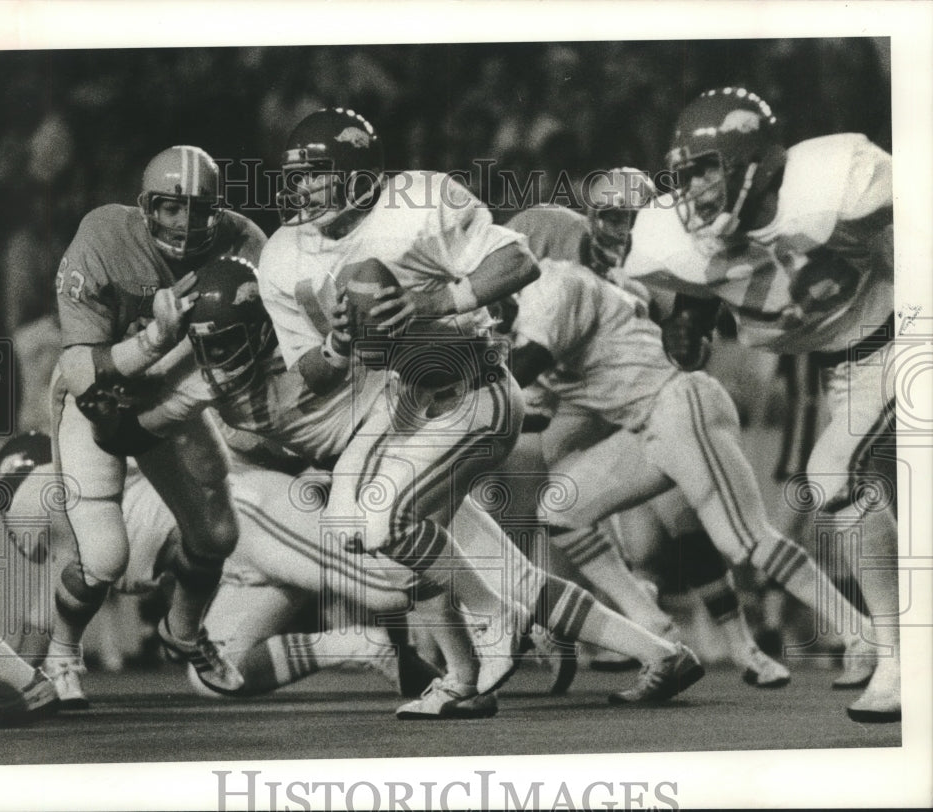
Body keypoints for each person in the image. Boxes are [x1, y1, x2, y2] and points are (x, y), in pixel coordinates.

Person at [255, 108, 704, 714]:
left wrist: (439, 299)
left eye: (317, 175)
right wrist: (337, 346)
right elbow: (308, 372)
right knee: (450, 554)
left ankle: (480, 649)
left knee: (386, 526)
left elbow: (518, 261)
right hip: (404, 412)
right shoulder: (284, 254)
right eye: (298, 178)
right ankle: (657, 652)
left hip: (468, 383)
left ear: (359, 174)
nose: (303, 190)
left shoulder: (417, 199)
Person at [502, 174, 877, 699]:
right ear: (589, 219)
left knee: (742, 539)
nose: (623, 229)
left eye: (633, 219)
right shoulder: (582, 272)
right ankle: (654, 635)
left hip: (679, 408)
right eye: (613, 217)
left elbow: (522, 369)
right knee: (561, 507)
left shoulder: (560, 284)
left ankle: (862, 634)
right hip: (648, 424)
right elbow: (536, 405)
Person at [622, 87, 898, 723]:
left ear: (750, 161)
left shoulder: (839, 182)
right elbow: (698, 288)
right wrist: (686, 321)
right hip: (850, 364)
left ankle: (898, 657)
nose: (692, 188)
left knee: (832, 479)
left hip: (911, 333)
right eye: (683, 174)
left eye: (703, 168)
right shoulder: (673, 241)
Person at [42, 145, 266, 708]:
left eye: (197, 210)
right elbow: (83, 371)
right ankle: (62, 653)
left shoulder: (246, 243)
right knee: (104, 556)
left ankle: (183, 633)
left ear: (219, 210)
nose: (184, 224)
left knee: (218, 535)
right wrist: (155, 339)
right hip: (97, 402)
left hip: (170, 397)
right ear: (147, 207)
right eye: (170, 208)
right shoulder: (105, 235)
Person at [0, 431, 446, 705]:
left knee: (393, 588)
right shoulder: (72, 513)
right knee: (216, 674)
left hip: (249, 519)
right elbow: (48, 613)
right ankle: (368, 646)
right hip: (239, 562)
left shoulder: (46, 488)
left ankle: (508, 611)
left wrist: (4, 689)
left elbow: (37, 628)